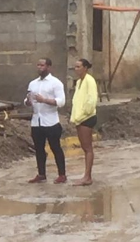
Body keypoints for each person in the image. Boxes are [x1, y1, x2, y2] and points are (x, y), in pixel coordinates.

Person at [25, 58, 67, 184]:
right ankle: (41, 174)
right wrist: (28, 101)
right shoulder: (33, 83)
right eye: (38, 65)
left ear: (49, 67)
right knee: (39, 148)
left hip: (51, 121)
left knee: (55, 148)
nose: (39, 67)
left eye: (42, 65)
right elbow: (27, 101)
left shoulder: (56, 83)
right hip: (36, 121)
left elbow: (61, 102)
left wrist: (45, 100)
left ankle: (62, 174)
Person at [70, 59, 98, 187]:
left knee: (88, 148)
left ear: (85, 68)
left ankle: (87, 177)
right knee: (84, 148)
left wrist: (83, 114)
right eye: (75, 67)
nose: (76, 69)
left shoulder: (89, 80)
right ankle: (86, 175)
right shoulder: (79, 82)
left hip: (87, 117)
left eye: (78, 66)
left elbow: (91, 100)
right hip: (80, 118)